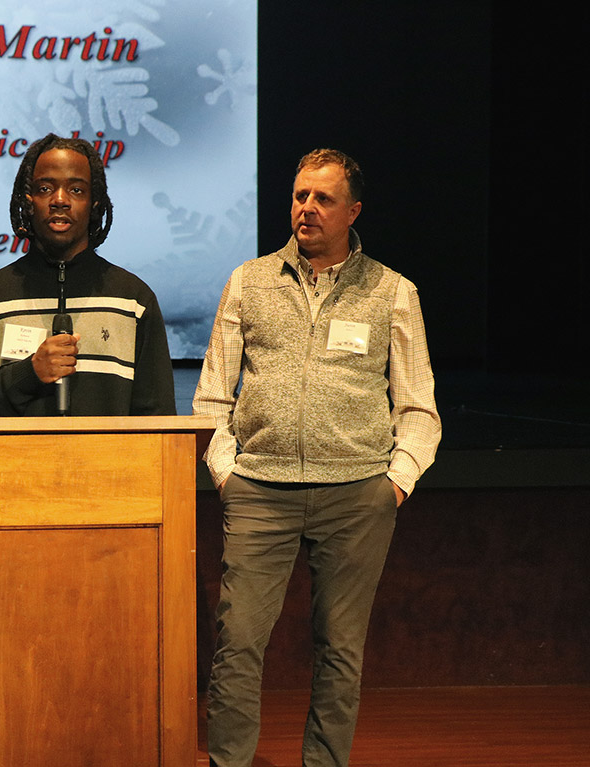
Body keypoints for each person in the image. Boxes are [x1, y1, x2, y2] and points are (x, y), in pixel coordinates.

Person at [193, 149, 441, 767]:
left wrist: (396, 482)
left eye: (323, 199)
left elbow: (418, 407)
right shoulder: (248, 281)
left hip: (357, 494)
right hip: (260, 490)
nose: (307, 209)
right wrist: (227, 471)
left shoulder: (392, 291)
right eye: (301, 195)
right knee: (238, 642)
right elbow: (212, 395)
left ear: (353, 211)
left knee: (340, 649)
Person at [0, 133, 175, 416]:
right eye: (45, 189)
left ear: (94, 204)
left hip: (112, 461)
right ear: (28, 202)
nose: (60, 200)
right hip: (13, 461)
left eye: (76, 190)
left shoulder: (133, 300)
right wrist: (28, 374)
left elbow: (159, 419)